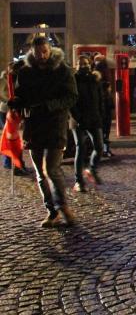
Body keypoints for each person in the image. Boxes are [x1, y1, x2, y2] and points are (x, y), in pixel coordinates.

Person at [9, 37, 78, 227]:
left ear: (50, 50)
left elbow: (71, 96)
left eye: (45, 51)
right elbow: (21, 95)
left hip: (55, 124)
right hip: (34, 127)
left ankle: (63, 206)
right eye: (39, 52)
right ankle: (52, 211)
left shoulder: (62, 70)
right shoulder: (25, 72)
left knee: (51, 169)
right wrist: (16, 102)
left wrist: (50, 106)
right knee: (40, 172)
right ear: (33, 52)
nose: (42, 55)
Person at [70, 55, 106, 192]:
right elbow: (72, 102)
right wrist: (77, 117)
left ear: (90, 65)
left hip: (94, 118)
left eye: (85, 63)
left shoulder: (94, 80)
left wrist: (102, 114)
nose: (82, 66)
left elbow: (100, 98)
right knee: (80, 148)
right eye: (80, 64)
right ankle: (78, 181)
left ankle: (92, 169)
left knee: (99, 147)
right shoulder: (73, 80)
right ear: (76, 65)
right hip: (78, 120)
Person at [93, 55, 115, 157]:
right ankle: (104, 149)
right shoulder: (100, 72)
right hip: (102, 105)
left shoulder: (101, 71)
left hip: (104, 105)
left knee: (104, 129)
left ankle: (103, 149)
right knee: (104, 129)